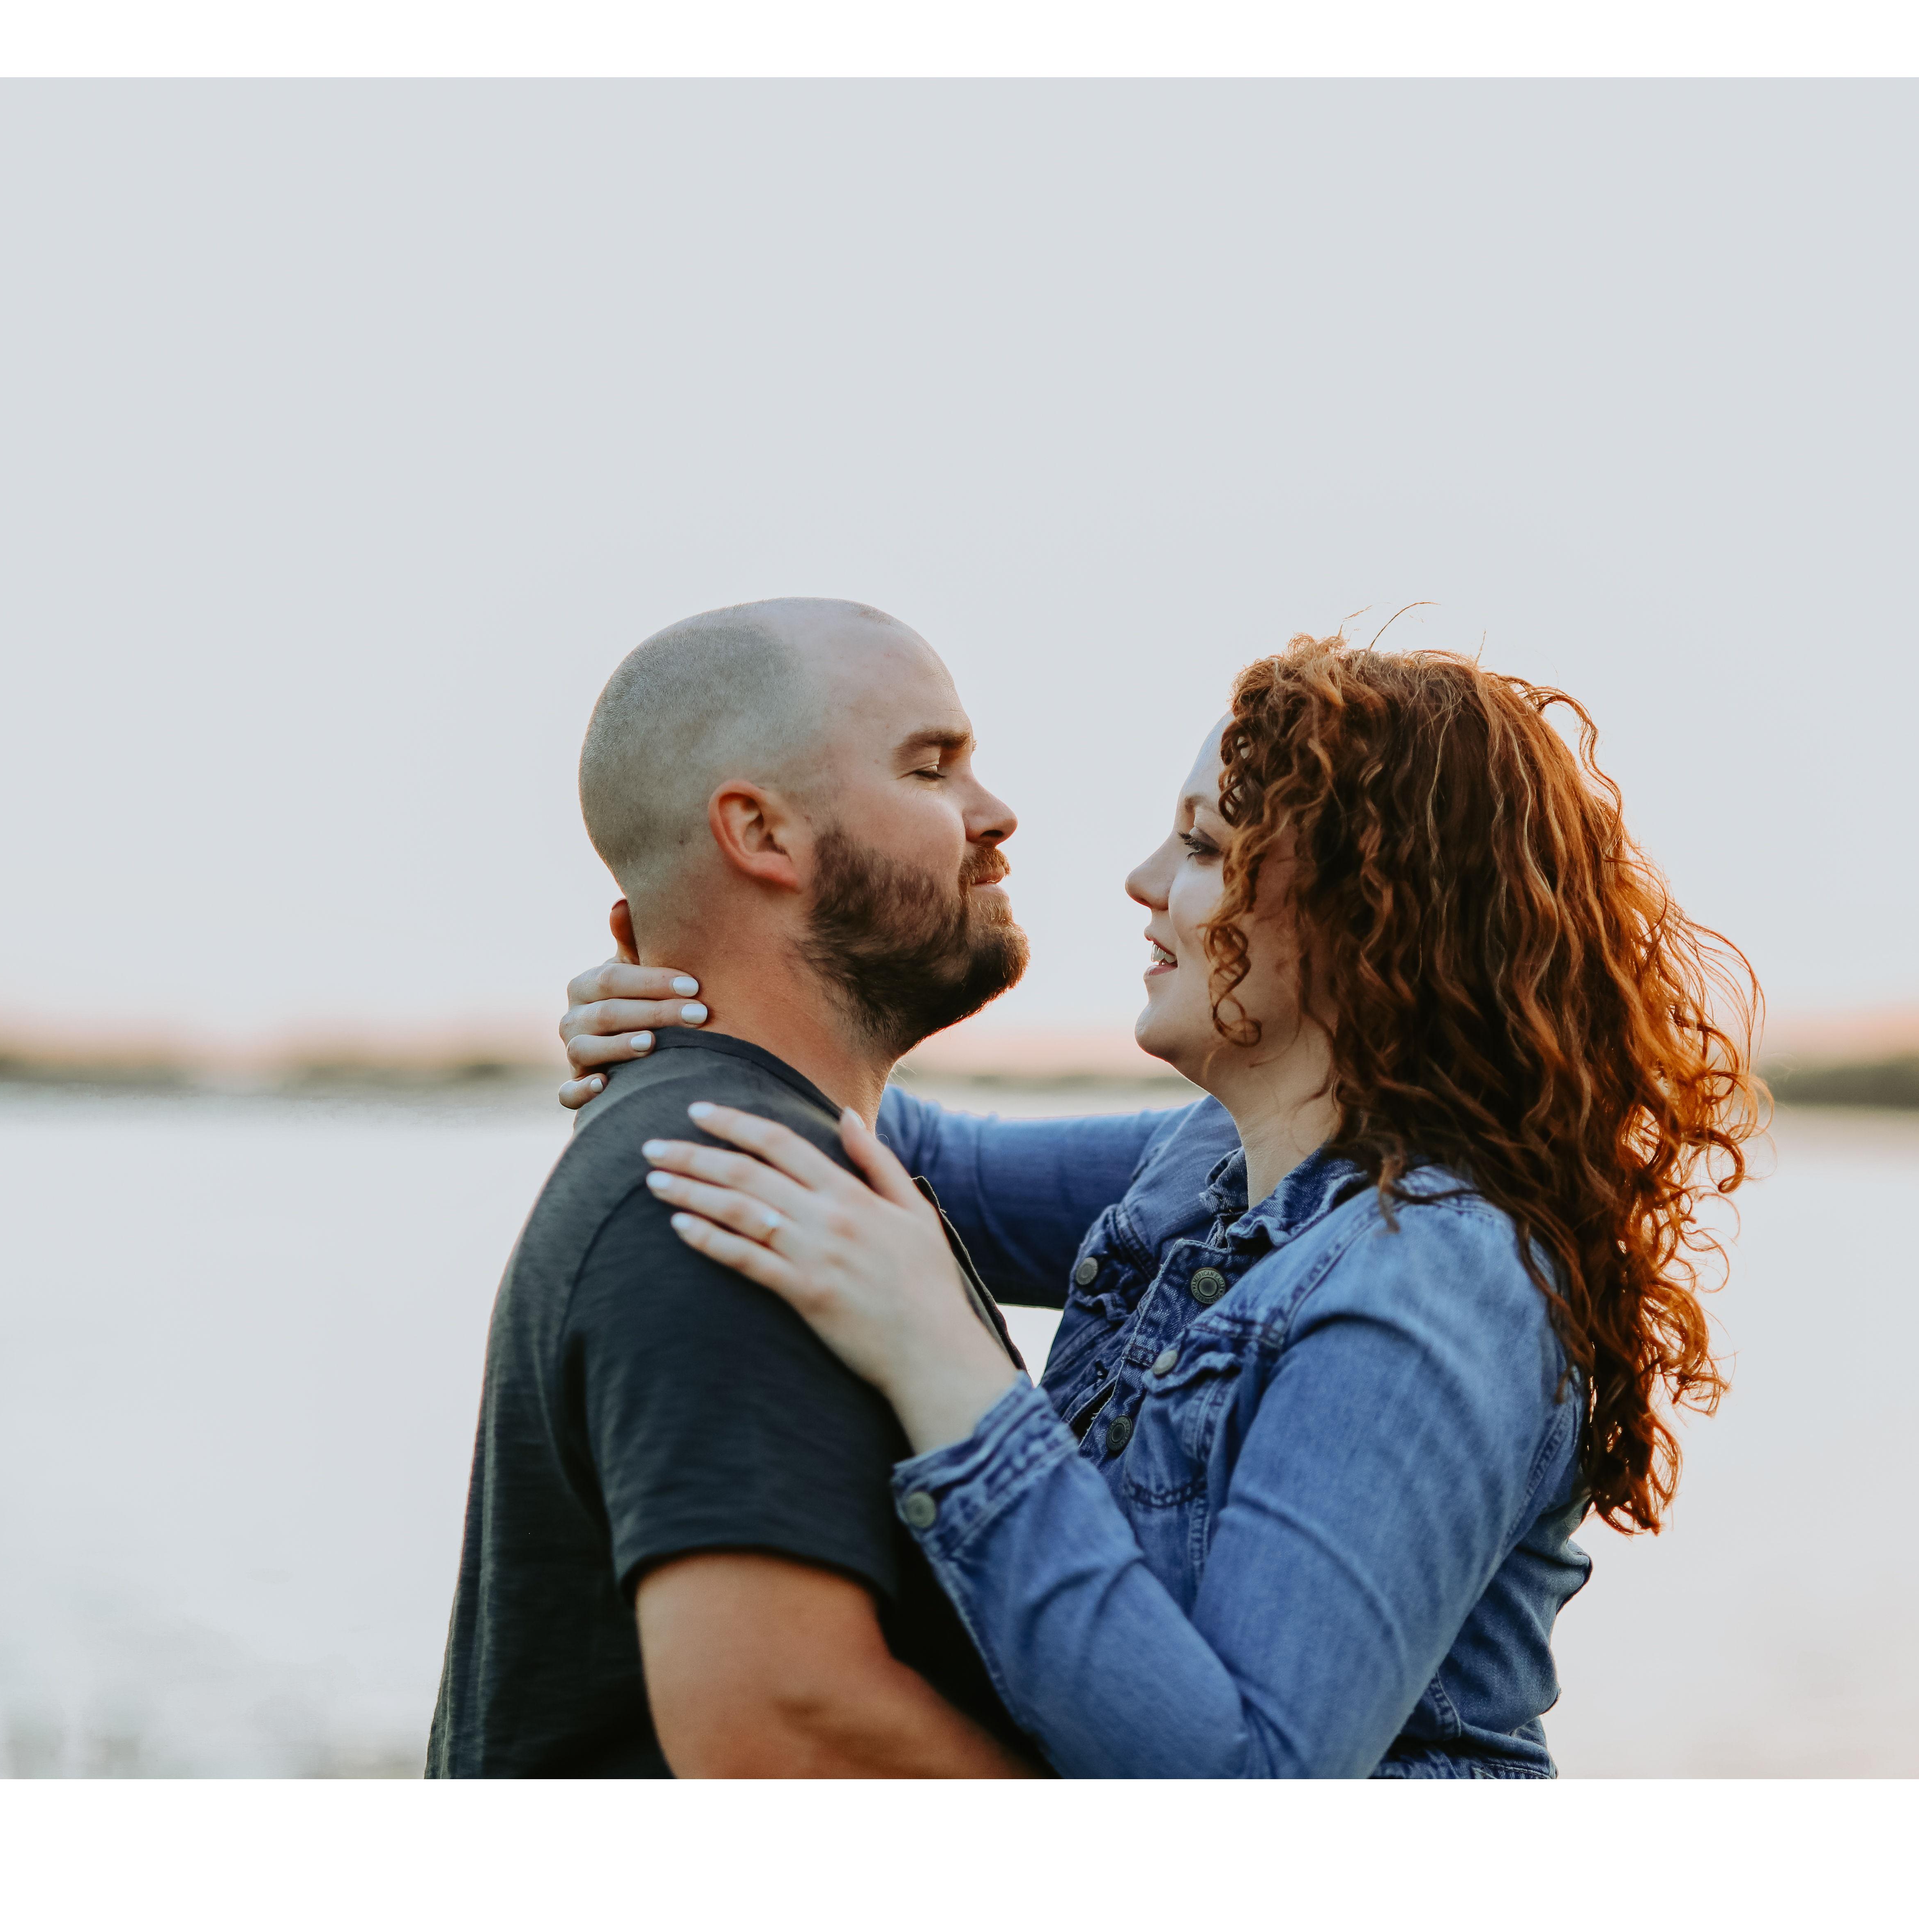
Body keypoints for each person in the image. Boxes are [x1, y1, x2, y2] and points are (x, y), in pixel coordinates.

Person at [564, 636, 1762, 1776]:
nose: (1142, 884)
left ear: (1364, 915)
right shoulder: (1212, 1167)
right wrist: (681, 1015)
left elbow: (1245, 1781)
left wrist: (949, 1371)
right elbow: (902, 1149)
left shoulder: (1432, 1279)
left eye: (1200, 847)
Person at [427, 596, 1047, 1776]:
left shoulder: (771, 1151)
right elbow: (777, 1722)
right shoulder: (730, 1185)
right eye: (931, 768)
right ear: (761, 832)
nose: (995, 814)